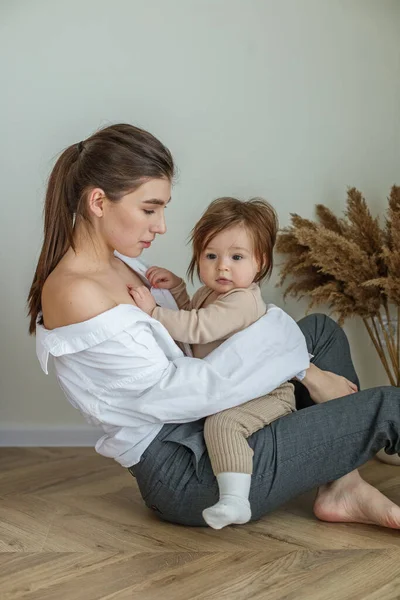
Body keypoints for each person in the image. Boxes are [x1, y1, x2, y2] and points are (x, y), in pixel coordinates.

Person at [28, 123, 400, 530]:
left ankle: (343, 486)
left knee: (319, 331)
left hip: (208, 418)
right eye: (150, 209)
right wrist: (303, 370)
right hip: (193, 468)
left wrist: (298, 361)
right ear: (99, 201)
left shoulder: (120, 263)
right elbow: (190, 390)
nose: (162, 226)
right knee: (389, 406)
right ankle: (336, 482)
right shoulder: (76, 292)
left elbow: (189, 337)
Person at [127, 196, 299, 529]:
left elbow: (199, 328)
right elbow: (195, 319)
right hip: (242, 389)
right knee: (217, 420)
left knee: (222, 424)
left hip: (268, 394)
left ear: (259, 262)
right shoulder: (212, 294)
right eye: (211, 256)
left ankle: (235, 501)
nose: (222, 266)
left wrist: (153, 312)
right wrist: (177, 288)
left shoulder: (241, 301)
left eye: (237, 257)